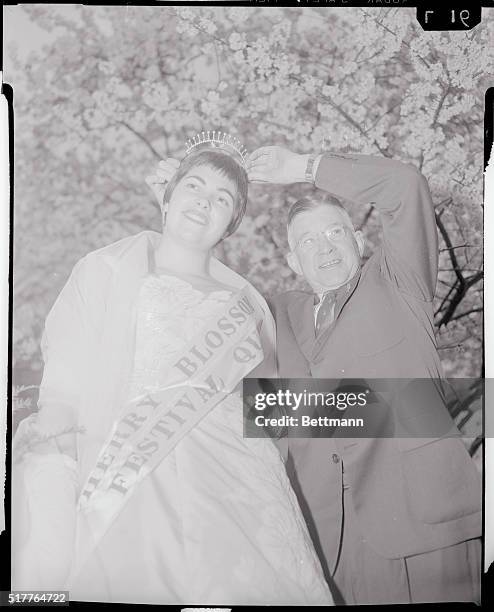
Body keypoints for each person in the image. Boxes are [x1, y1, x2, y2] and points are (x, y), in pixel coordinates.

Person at [11, 134, 334, 606]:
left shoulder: (247, 307)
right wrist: (55, 433)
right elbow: (69, 366)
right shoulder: (108, 269)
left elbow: (261, 405)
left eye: (222, 199)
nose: (205, 204)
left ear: (232, 224)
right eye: (194, 188)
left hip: (239, 479)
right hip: (135, 466)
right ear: (167, 197)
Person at [245, 146, 482, 605]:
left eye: (335, 232)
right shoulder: (276, 317)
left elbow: (405, 186)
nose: (325, 246)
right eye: (308, 241)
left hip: (424, 528)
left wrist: (302, 168)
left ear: (358, 239)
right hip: (328, 548)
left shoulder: (397, 281)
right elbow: (262, 417)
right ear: (293, 262)